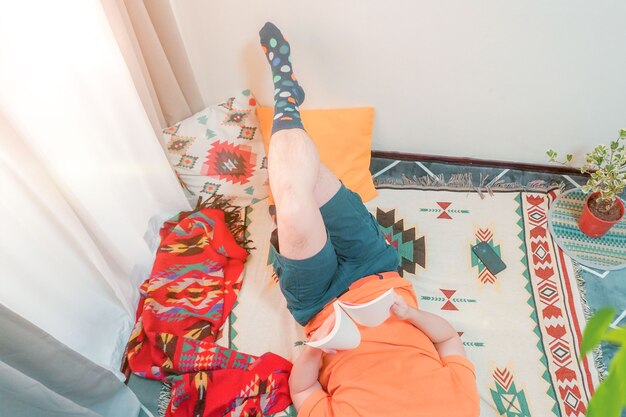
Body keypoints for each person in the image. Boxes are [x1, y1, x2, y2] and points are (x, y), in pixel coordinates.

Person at [259, 22, 480, 417]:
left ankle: (287, 99)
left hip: (320, 304)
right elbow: (448, 342)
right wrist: (411, 316)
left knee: (293, 201)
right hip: (376, 272)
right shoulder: (462, 409)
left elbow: (303, 388)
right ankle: (287, 110)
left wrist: (316, 347)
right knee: (301, 188)